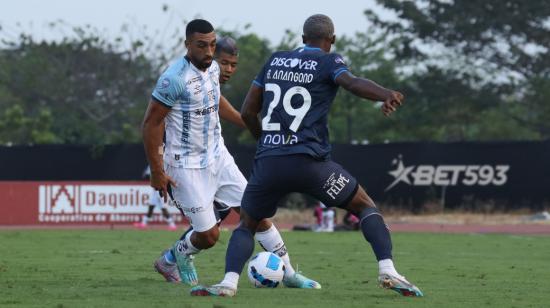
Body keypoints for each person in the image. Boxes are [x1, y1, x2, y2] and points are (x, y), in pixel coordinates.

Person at [190, 14, 423, 297]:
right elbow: (351, 82)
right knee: (364, 206)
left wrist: (265, 142)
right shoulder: (329, 61)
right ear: (332, 39)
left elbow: (249, 111)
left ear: (302, 39)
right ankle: (388, 270)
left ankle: (228, 283)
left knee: (247, 224)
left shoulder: (275, 60)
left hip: (270, 164)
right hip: (310, 165)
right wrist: (384, 94)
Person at [141, 19, 319, 289]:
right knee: (209, 236)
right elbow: (151, 124)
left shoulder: (212, 69)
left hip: (219, 157)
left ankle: (290, 274)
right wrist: (157, 171)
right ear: (187, 44)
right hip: (185, 166)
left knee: (256, 214)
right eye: (201, 46)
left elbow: (214, 100)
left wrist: (246, 122)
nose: (209, 52)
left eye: (212, 45)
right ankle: (175, 256)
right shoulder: (173, 79)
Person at [133, 165, 177, 230]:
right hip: (155, 189)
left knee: (163, 207)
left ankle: (172, 224)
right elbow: (146, 176)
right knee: (151, 206)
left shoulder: (163, 164)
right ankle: (144, 223)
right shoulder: (151, 165)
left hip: (160, 188)